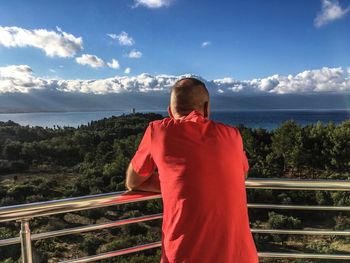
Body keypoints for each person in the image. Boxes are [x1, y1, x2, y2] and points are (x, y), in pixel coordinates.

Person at [126, 77, 259, 263]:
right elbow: (241, 175)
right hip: (241, 256)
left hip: (185, 255)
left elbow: (133, 182)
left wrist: (173, 183)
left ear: (170, 110)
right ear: (206, 108)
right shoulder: (232, 135)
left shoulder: (158, 131)